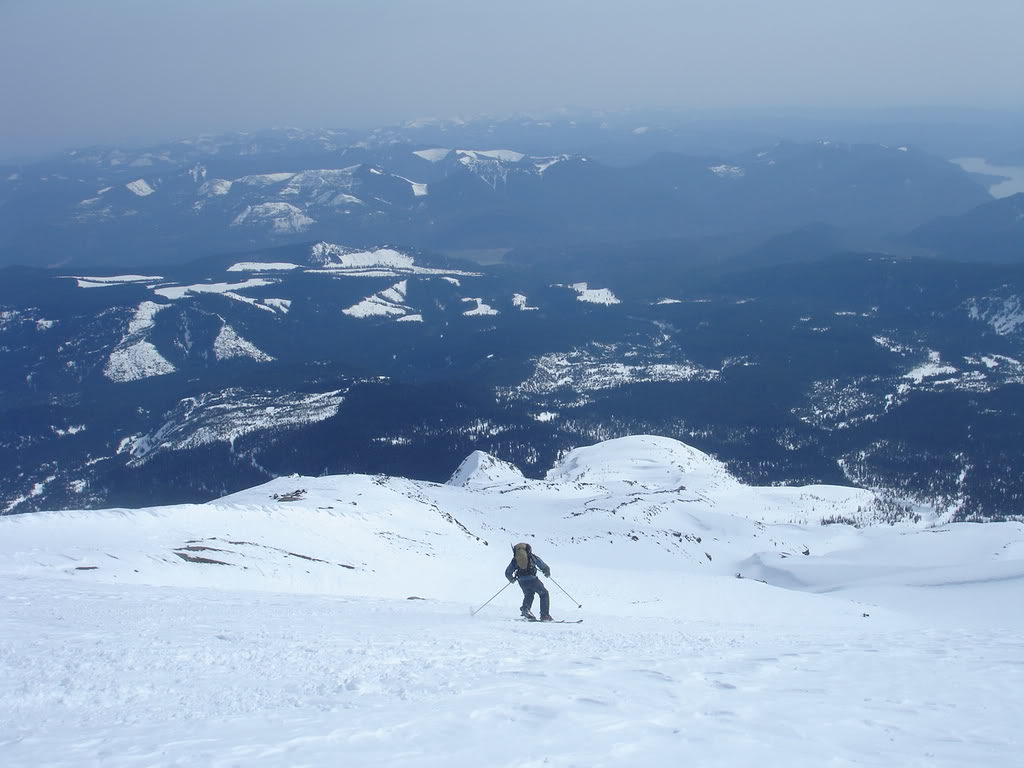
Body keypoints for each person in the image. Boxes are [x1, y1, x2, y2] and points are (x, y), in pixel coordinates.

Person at [505, 542, 553, 621]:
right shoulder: (532, 557)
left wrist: (512, 579)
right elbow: (543, 565)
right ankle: (545, 615)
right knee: (544, 593)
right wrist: (546, 572)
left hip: (521, 581)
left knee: (529, 594)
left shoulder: (515, 559)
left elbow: (507, 572)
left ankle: (525, 609)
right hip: (532, 580)